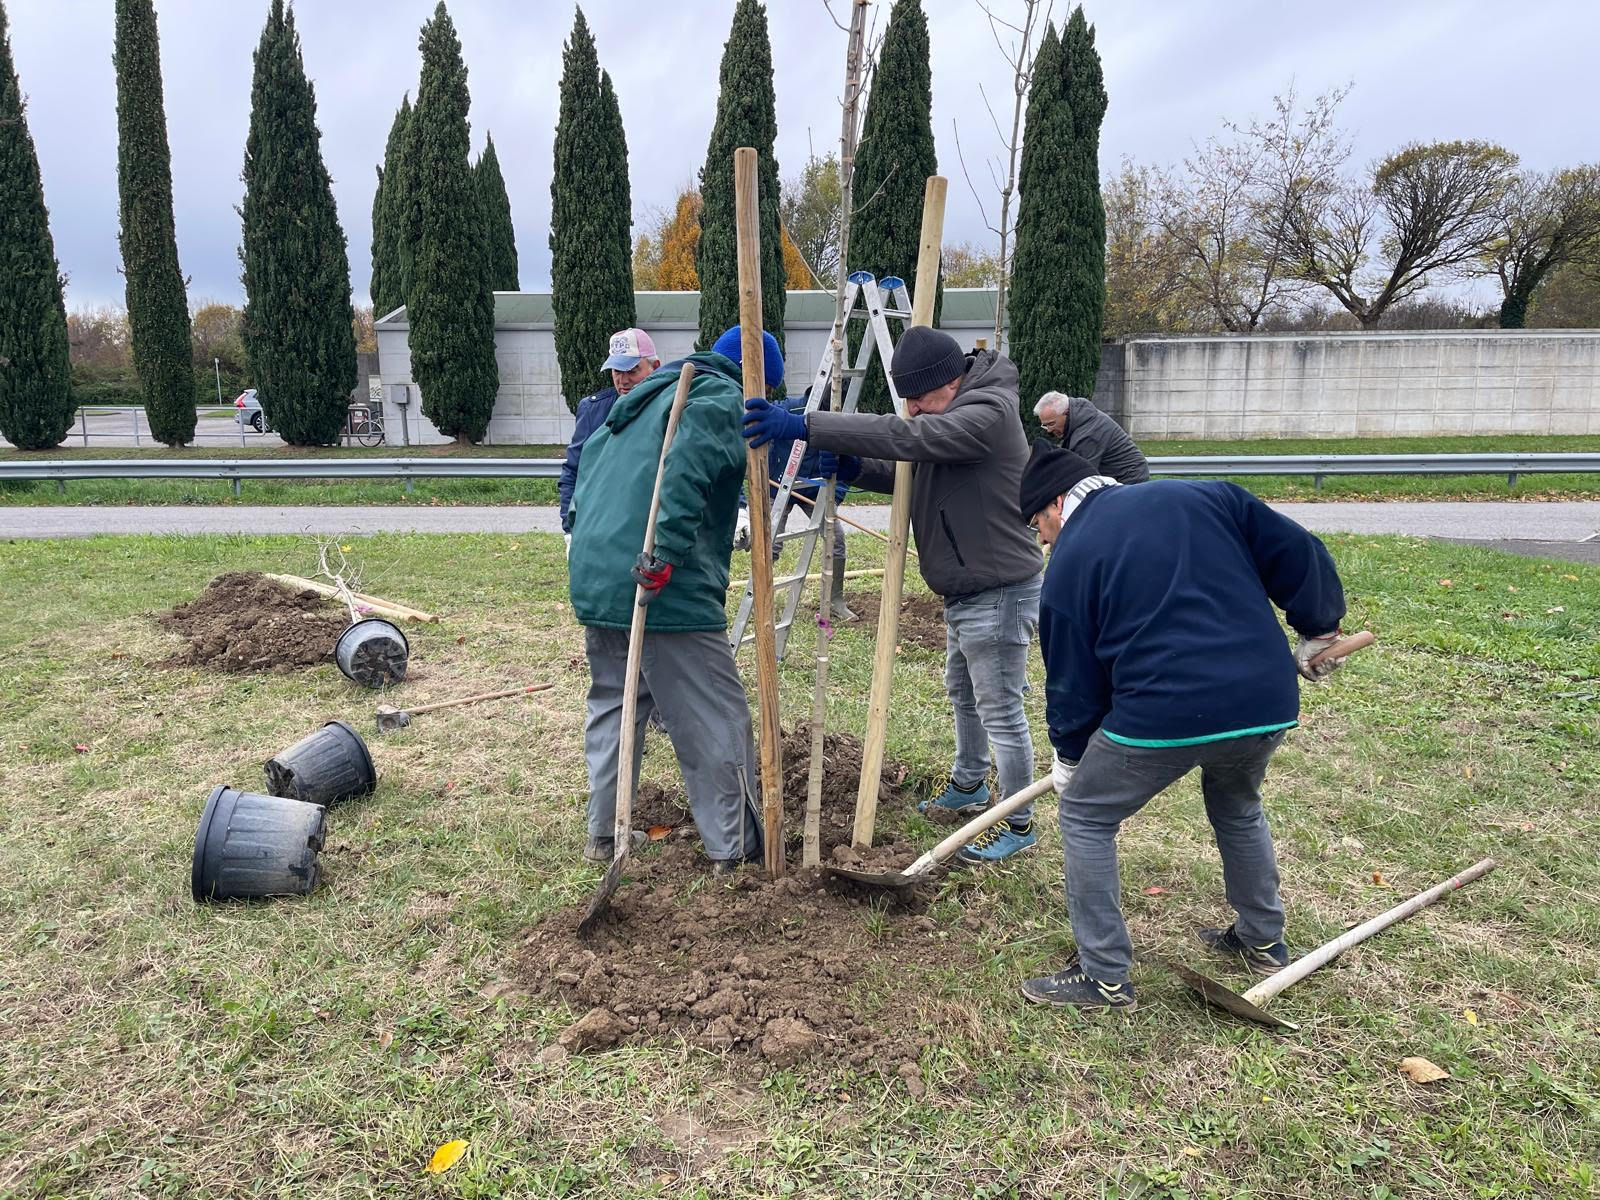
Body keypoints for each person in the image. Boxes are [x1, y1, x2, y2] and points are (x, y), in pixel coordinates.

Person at [1015, 440, 1349, 1010]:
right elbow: (1299, 551)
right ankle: (1262, 940)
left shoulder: (1071, 558)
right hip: (1264, 699)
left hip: (1165, 709)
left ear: (1055, 503)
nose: (1042, 539)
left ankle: (1104, 977)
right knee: (1237, 802)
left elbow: (1072, 679)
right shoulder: (1208, 495)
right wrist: (1318, 627)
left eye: (1037, 526)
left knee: (1086, 815)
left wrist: (1071, 757)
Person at [743, 325, 1045, 864]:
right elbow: (916, 467)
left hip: (999, 590)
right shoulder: (951, 415)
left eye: (917, 397)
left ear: (949, 382)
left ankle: (1019, 821)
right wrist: (859, 466)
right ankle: (972, 784)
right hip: (968, 588)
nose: (909, 408)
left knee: (1000, 710)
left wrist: (810, 425)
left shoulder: (989, 413)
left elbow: (915, 440)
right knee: (964, 694)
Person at [566, 325, 784, 875]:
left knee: (616, 706)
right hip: (662, 585)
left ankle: (603, 832)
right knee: (713, 712)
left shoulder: (638, 402)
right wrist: (663, 554)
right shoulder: (716, 396)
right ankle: (733, 848)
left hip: (599, 576)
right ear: (760, 378)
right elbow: (685, 467)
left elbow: (588, 471)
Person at [734, 383, 856, 624]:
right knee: (769, 545)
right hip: (778, 485)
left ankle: (835, 601)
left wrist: (835, 496)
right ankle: (759, 601)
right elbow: (755, 421)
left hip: (813, 491)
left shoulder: (841, 423)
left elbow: (848, 466)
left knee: (836, 540)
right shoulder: (791, 408)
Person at [557, 328, 662, 555]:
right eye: (616, 370)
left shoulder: (671, 407)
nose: (623, 380)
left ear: (655, 367)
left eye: (632, 371)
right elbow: (573, 472)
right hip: (606, 526)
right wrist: (570, 530)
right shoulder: (594, 410)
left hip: (656, 523)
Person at [1032, 392, 1150, 484]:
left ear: (1066, 413)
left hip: (1129, 479)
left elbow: (1080, 476)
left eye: (1051, 424)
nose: (1049, 430)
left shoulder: (1088, 435)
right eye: (1044, 425)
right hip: (1118, 477)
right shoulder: (1080, 419)